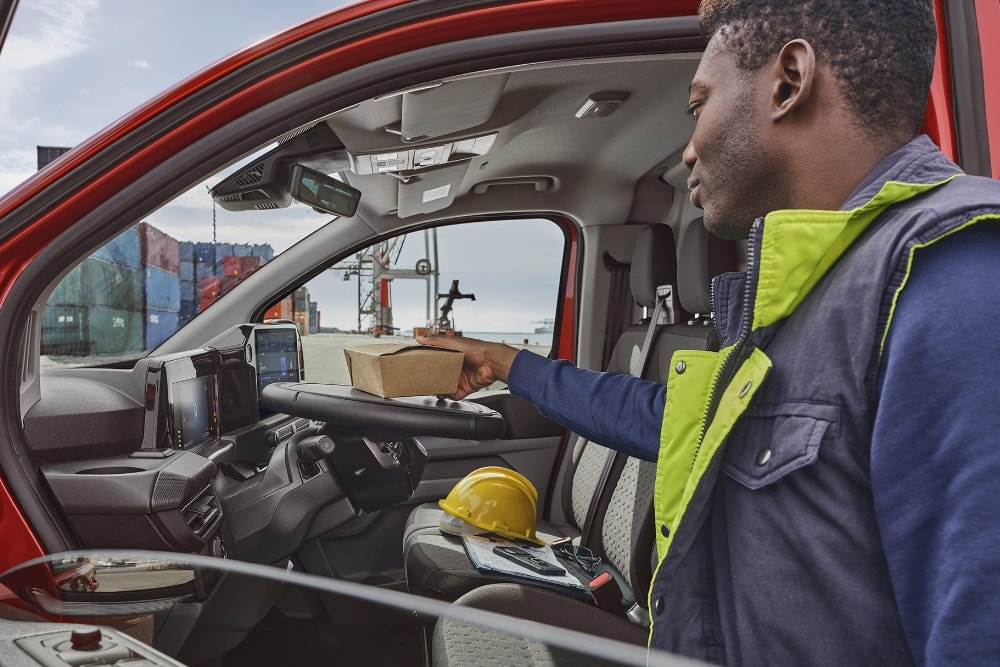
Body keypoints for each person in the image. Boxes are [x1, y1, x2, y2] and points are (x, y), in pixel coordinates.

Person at [420, 0, 1000, 664]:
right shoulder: (805, 298)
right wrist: (504, 361)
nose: (690, 147)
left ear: (788, 81)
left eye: (698, 105)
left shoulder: (956, 282)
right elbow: (664, 418)